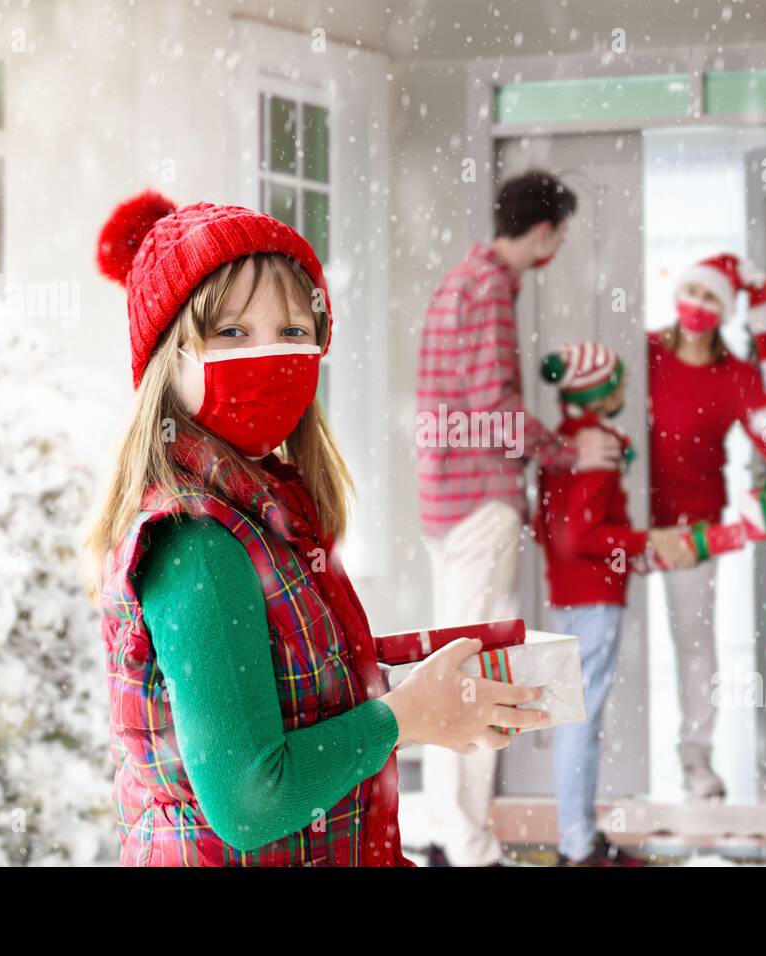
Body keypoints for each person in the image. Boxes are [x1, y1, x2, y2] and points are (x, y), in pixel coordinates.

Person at [84, 191, 547, 866]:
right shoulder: (198, 544)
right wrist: (407, 716)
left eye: (294, 331)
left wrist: (425, 682)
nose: (269, 354)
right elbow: (251, 800)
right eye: (232, 333)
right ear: (166, 358)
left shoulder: (269, 510)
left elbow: (287, 680)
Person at [415, 170, 623, 866]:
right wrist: (566, 450)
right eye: (557, 236)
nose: (555, 249)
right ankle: (467, 848)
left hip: (448, 505)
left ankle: (455, 836)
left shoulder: (459, 282)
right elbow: (493, 412)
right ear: (542, 232)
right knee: (475, 674)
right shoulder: (489, 291)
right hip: (478, 507)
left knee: (461, 662)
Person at [532, 342, 696, 866]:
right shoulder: (596, 446)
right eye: (620, 382)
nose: (628, 390)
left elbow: (548, 528)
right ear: (602, 391)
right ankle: (578, 845)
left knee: (573, 715)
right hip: (594, 597)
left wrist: (631, 548)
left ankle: (578, 838)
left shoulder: (563, 443)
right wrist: (642, 542)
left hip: (569, 591)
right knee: (581, 719)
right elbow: (581, 534)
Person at [647, 253, 766, 799]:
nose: (698, 307)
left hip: (693, 527)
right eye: (693, 294)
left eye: (711, 299)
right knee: (611, 642)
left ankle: (696, 758)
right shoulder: (645, 352)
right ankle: (607, 760)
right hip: (625, 522)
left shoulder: (737, 377)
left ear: (725, 312)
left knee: (695, 644)